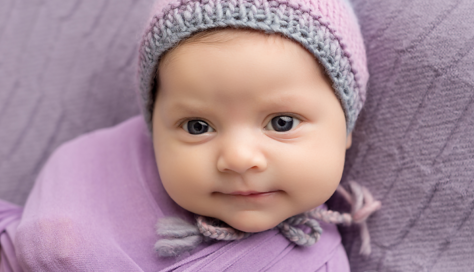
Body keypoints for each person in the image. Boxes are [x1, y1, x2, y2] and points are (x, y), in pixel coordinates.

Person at [0, 0, 379, 271]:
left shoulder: (318, 263)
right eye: (198, 126)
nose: (238, 157)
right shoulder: (92, 164)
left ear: (346, 127)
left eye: (282, 123)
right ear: (156, 128)